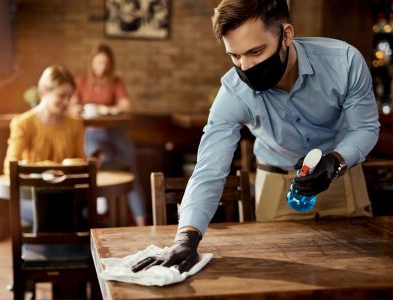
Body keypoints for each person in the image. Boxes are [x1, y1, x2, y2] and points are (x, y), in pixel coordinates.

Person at [131, 0, 380, 273]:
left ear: (286, 35)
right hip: (276, 187)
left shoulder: (344, 62)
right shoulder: (234, 93)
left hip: (342, 181)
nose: (246, 67)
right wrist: (187, 237)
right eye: (235, 56)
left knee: (364, 275)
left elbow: (364, 128)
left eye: (256, 52)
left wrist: (336, 160)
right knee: (276, 280)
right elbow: (208, 170)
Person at [69, 43, 146, 226]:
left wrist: (105, 109)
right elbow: (71, 106)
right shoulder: (81, 81)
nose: (102, 67)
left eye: (105, 63)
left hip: (115, 132)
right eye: (98, 62)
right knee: (90, 172)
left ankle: (143, 222)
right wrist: (80, 107)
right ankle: (93, 222)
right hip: (92, 134)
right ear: (91, 62)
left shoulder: (115, 81)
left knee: (132, 172)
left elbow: (126, 106)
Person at [3, 65, 85, 223]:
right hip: (33, 197)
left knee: (63, 212)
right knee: (53, 213)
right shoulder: (23, 123)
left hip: (66, 196)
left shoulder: (75, 124)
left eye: (69, 96)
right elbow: (9, 166)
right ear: (45, 91)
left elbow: (80, 162)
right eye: (61, 96)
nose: (66, 102)